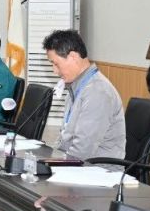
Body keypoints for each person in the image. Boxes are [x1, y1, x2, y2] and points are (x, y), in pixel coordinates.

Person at [44, 30, 126, 161]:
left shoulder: (98, 92)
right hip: (76, 163)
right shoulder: (76, 86)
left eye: (56, 64)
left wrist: (52, 163)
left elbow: (82, 150)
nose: (54, 71)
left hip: (97, 168)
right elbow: (65, 139)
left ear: (73, 57)